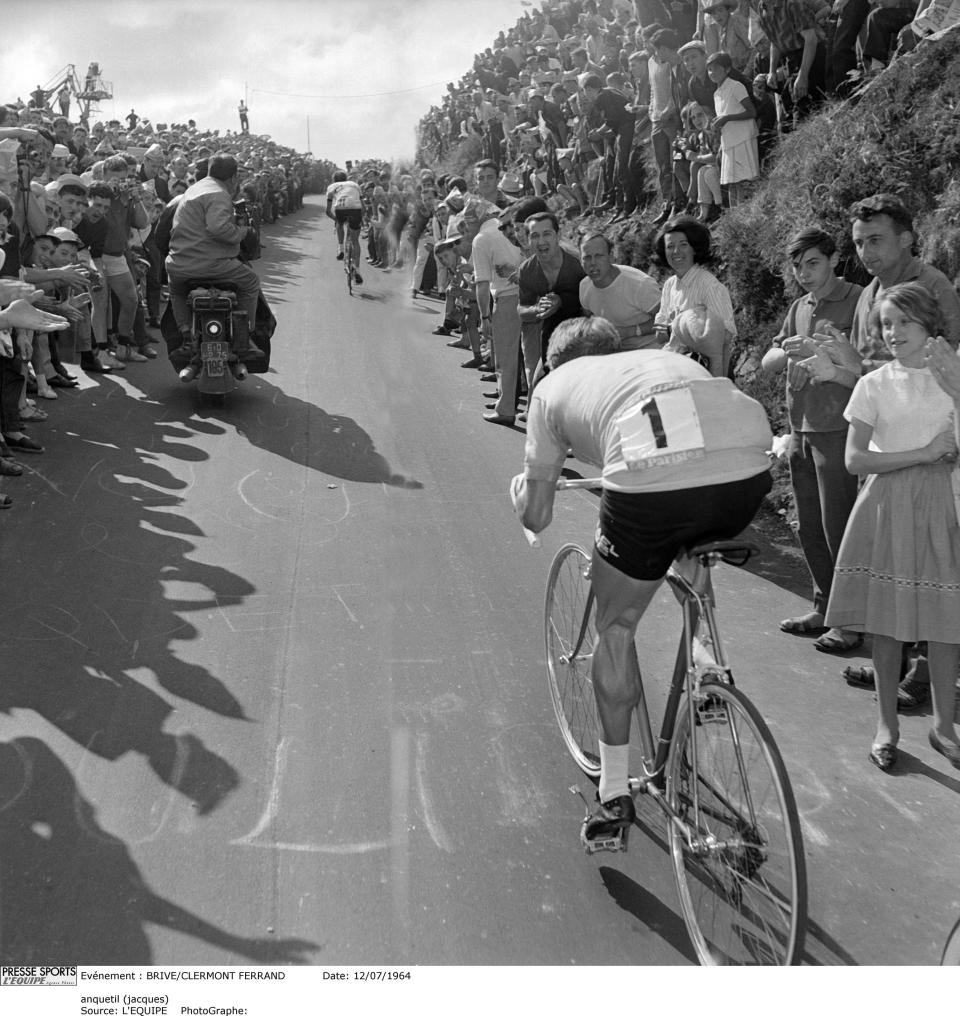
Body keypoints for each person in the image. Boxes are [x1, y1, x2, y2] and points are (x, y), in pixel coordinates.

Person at [512, 316, 773, 844]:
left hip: (649, 483)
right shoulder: (656, 360)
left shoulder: (552, 387)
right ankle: (706, 658)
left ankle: (612, 792)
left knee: (617, 625)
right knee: (687, 524)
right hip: (748, 466)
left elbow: (537, 518)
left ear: (555, 361)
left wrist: (522, 490)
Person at [823, 283, 960, 772]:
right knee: (888, 626)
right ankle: (886, 725)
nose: (893, 332)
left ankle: (945, 728)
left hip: (944, 505)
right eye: (886, 323)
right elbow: (855, 458)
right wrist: (922, 454)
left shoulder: (953, 374)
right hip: (886, 505)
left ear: (929, 324)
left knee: (946, 626)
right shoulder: (874, 383)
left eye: (904, 322)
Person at [761, 228, 862, 653]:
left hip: (839, 430)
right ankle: (823, 605)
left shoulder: (858, 299)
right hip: (800, 428)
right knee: (810, 527)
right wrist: (793, 350)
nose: (804, 273)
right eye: (798, 266)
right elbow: (769, 362)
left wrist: (824, 357)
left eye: (813, 263)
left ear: (834, 259)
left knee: (840, 528)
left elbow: (868, 363)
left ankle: (851, 621)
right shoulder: (799, 307)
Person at [165, 152, 263, 380]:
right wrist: (243, 231)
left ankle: (186, 334)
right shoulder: (219, 193)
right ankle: (244, 336)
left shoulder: (193, 190)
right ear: (234, 176)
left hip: (179, 264)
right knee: (251, 282)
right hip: (212, 265)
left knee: (176, 290)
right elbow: (218, 228)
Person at [653, 215, 736, 377]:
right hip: (677, 367)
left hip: (706, 370)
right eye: (670, 246)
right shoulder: (669, 286)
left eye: (683, 245)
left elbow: (726, 336)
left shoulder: (709, 286)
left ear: (694, 248)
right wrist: (669, 330)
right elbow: (660, 334)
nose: (676, 252)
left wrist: (687, 330)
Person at [517, 211, 585, 382]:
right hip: (551, 333)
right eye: (535, 236)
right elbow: (521, 309)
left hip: (586, 331)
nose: (541, 242)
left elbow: (595, 302)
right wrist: (537, 309)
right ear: (528, 241)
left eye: (547, 234)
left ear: (558, 235)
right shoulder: (527, 270)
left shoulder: (578, 263)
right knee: (539, 383)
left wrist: (561, 301)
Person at [578, 232, 661, 351]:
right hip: (614, 351)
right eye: (587, 257)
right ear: (580, 260)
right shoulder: (584, 287)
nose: (593, 263)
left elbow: (667, 320)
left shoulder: (639, 284)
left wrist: (631, 331)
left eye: (599, 256)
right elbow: (588, 318)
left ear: (611, 256)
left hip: (651, 348)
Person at [706, 50, 758, 206]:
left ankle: (745, 215)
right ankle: (734, 216)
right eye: (709, 69)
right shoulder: (716, 93)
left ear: (727, 69)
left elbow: (751, 112)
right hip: (729, 140)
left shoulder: (736, 86)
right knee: (732, 182)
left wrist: (728, 118)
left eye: (716, 68)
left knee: (743, 181)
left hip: (743, 137)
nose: (712, 72)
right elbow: (723, 116)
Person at [324, 170, 363, 285]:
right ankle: (358, 270)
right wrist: (362, 219)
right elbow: (363, 207)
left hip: (340, 208)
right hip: (355, 209)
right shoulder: (355, 185)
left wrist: (336, 220)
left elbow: (327, 211)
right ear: (346, 179)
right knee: (355, 241)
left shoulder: (331, 186)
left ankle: (340, 248)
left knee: (339, 223)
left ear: (334, 180)